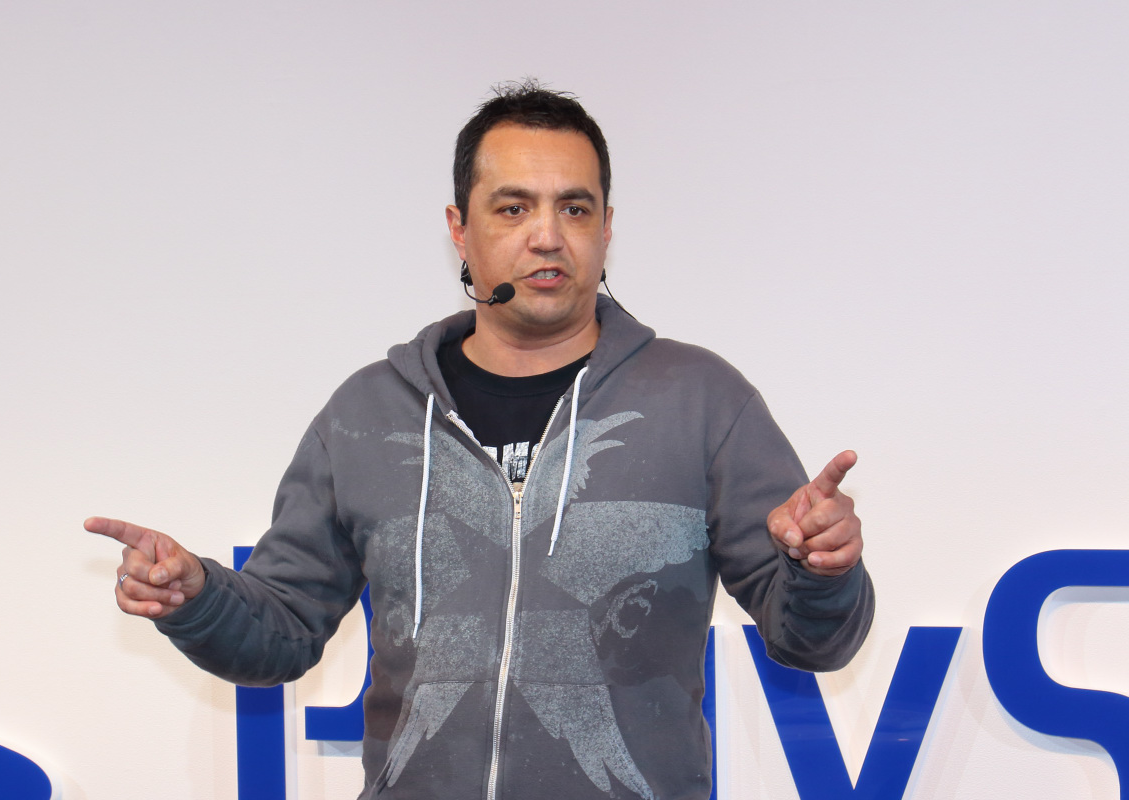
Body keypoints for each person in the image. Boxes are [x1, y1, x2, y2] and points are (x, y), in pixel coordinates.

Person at [88, 80, 873, 800]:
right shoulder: (367, 413)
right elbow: (282, 631)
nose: (547, 236)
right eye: (513, 208)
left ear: (607, 229)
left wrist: (823, 570)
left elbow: (814, 641)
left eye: (575, 209)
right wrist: (197, 597)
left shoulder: (702, 402)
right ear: (459, 230)